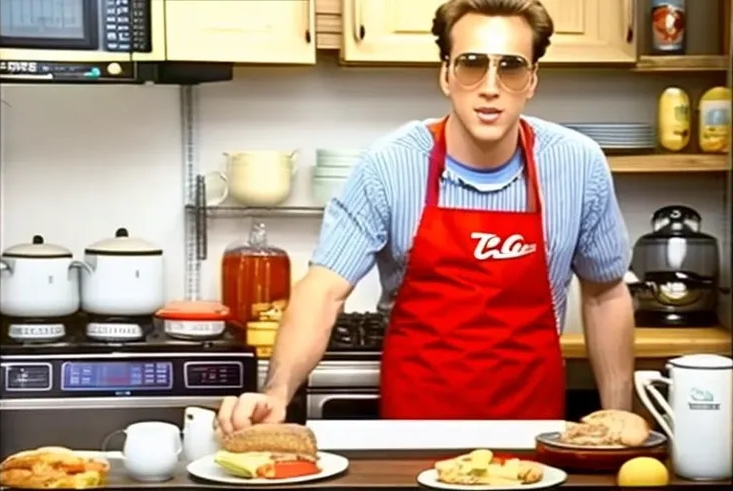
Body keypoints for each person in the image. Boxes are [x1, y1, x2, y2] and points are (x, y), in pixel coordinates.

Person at [216, 0, 635, 434]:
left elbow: (605, 294)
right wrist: (278, 392)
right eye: (471, 65)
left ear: (531, 81)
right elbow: (322, 291)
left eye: (510, 68)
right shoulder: (390, 166)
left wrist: (620, 415)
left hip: (533, 434)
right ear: (446, 74)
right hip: (412, 436)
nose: (490, 87)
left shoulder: (576, 163)